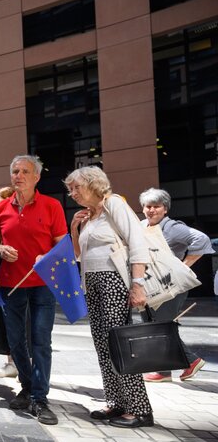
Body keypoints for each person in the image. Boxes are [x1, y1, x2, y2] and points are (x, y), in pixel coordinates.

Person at [66, 166, 154, 428]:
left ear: (94, 184)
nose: (72, 194)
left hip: (114, 280)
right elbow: (79, 256)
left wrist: (137, 284)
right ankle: (116, 402)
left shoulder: (113, 203)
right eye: (70, 189)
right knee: (102, 345)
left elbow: (138, 243)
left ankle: (140, 409)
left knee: (119, 343)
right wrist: (74, 229)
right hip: (92, 281)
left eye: (76, 187)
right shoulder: (88, 216)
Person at [0, 155, 67, 426]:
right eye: (14, 171)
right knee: (15, 341)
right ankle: (27, 385)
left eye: (25, 171)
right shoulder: (1, 209)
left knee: (40, 341)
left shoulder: (52, 206)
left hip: (43, 286)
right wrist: (0, 249)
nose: (18, 176)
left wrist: (46, 257)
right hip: (11, 284)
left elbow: (61, 246)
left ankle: (39, 397)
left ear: (36, 177)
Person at [138, 188, 213, 382]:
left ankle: (190, 362)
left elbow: (201, 239)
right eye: (148, 206)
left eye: (156, 206)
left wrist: (183, 266)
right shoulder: (141, 226)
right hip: (150, 285)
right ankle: (164, 371)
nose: (151, 210)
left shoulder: (172, 227)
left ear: (165, 209)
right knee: (152, 325)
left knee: (161, 327)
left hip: (173, 286)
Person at [0, 186, 18, 379]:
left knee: (19, 322)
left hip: (18, 278)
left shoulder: (13, 218)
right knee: (4, 321)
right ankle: (11, 362)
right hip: (1, 277)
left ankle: (22, 364)